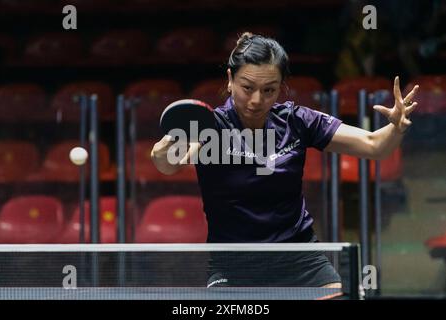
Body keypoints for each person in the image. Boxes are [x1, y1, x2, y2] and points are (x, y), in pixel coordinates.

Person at [151, 33, 419, 289]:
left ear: (281, 87)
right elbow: (168, 165)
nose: (257, 100)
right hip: (232, 262)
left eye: (269, 89)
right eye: (247, 88)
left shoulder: (297, 121)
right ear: (230, 79)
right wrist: (163, 153)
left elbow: (374, 145)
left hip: (299, 256)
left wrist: (397, 127)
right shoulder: (210, 127)